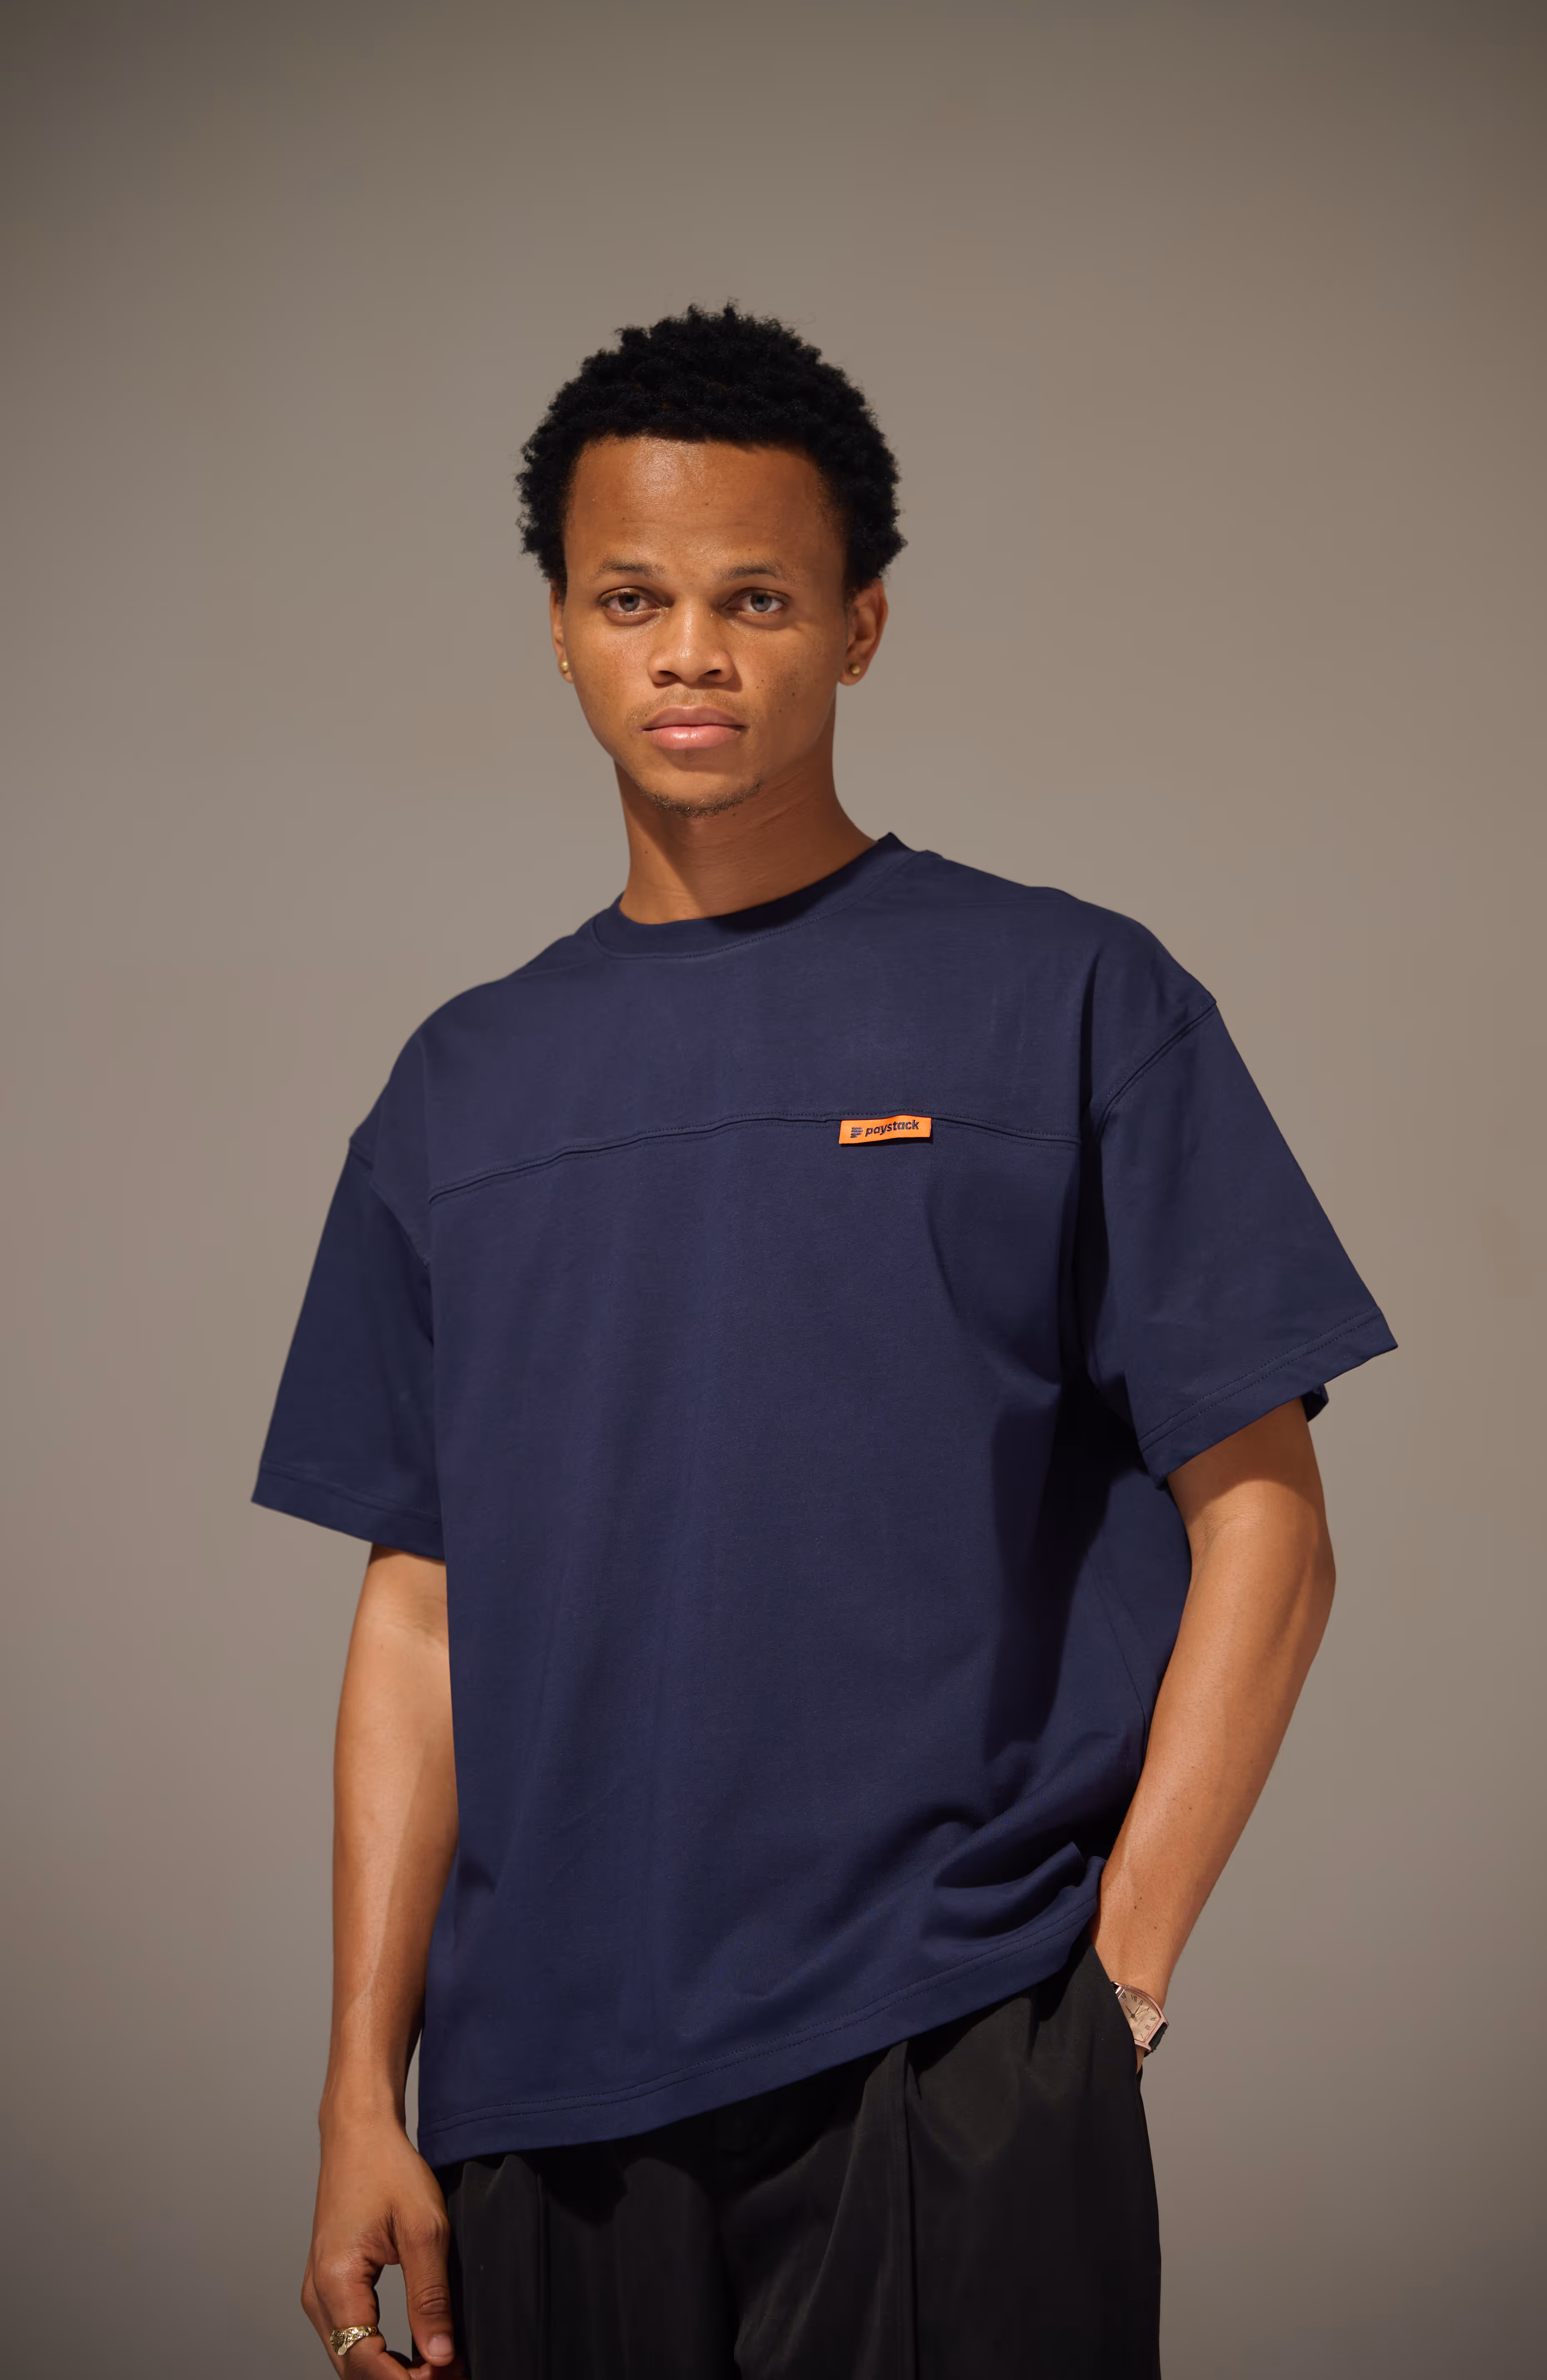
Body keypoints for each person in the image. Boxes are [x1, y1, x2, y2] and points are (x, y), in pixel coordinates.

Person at [254, 305, 1395, 2380]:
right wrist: (361, 2090)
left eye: (756, 597)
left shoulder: (1070, 999)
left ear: (860, 627)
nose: (691, 649)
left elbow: (1275, 1533)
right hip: (537, 2099)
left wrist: (1107, 1985)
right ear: (561, 629)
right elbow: (417, 1613)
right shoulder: (459, 1091)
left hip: (946, 2057)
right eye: (635, 597)